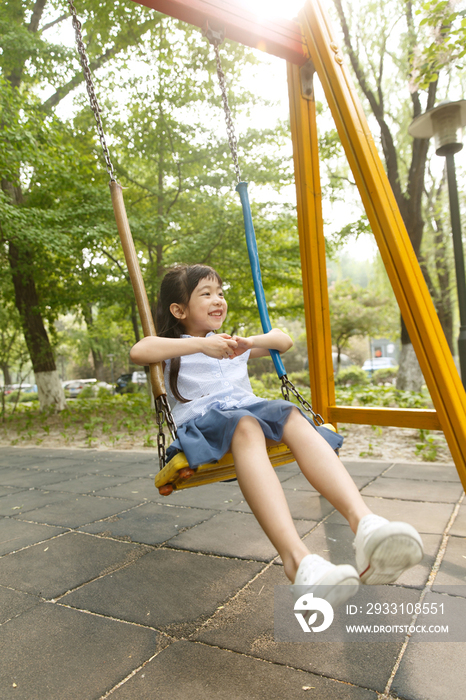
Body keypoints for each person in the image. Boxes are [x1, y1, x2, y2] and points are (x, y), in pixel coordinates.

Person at [130, 264, 423, 609]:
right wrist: (197, 346)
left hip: (246, 410)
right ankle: (297, 561)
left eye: (220, 293)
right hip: (206, 423)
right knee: (245, 424)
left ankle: (366, 525)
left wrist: (247, 343)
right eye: (205, 294)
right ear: (178, 310)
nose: (217, 300)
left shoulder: (231, 343)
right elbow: (140, 350)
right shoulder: (174, 346)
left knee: (289, 413)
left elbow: (283, 340)